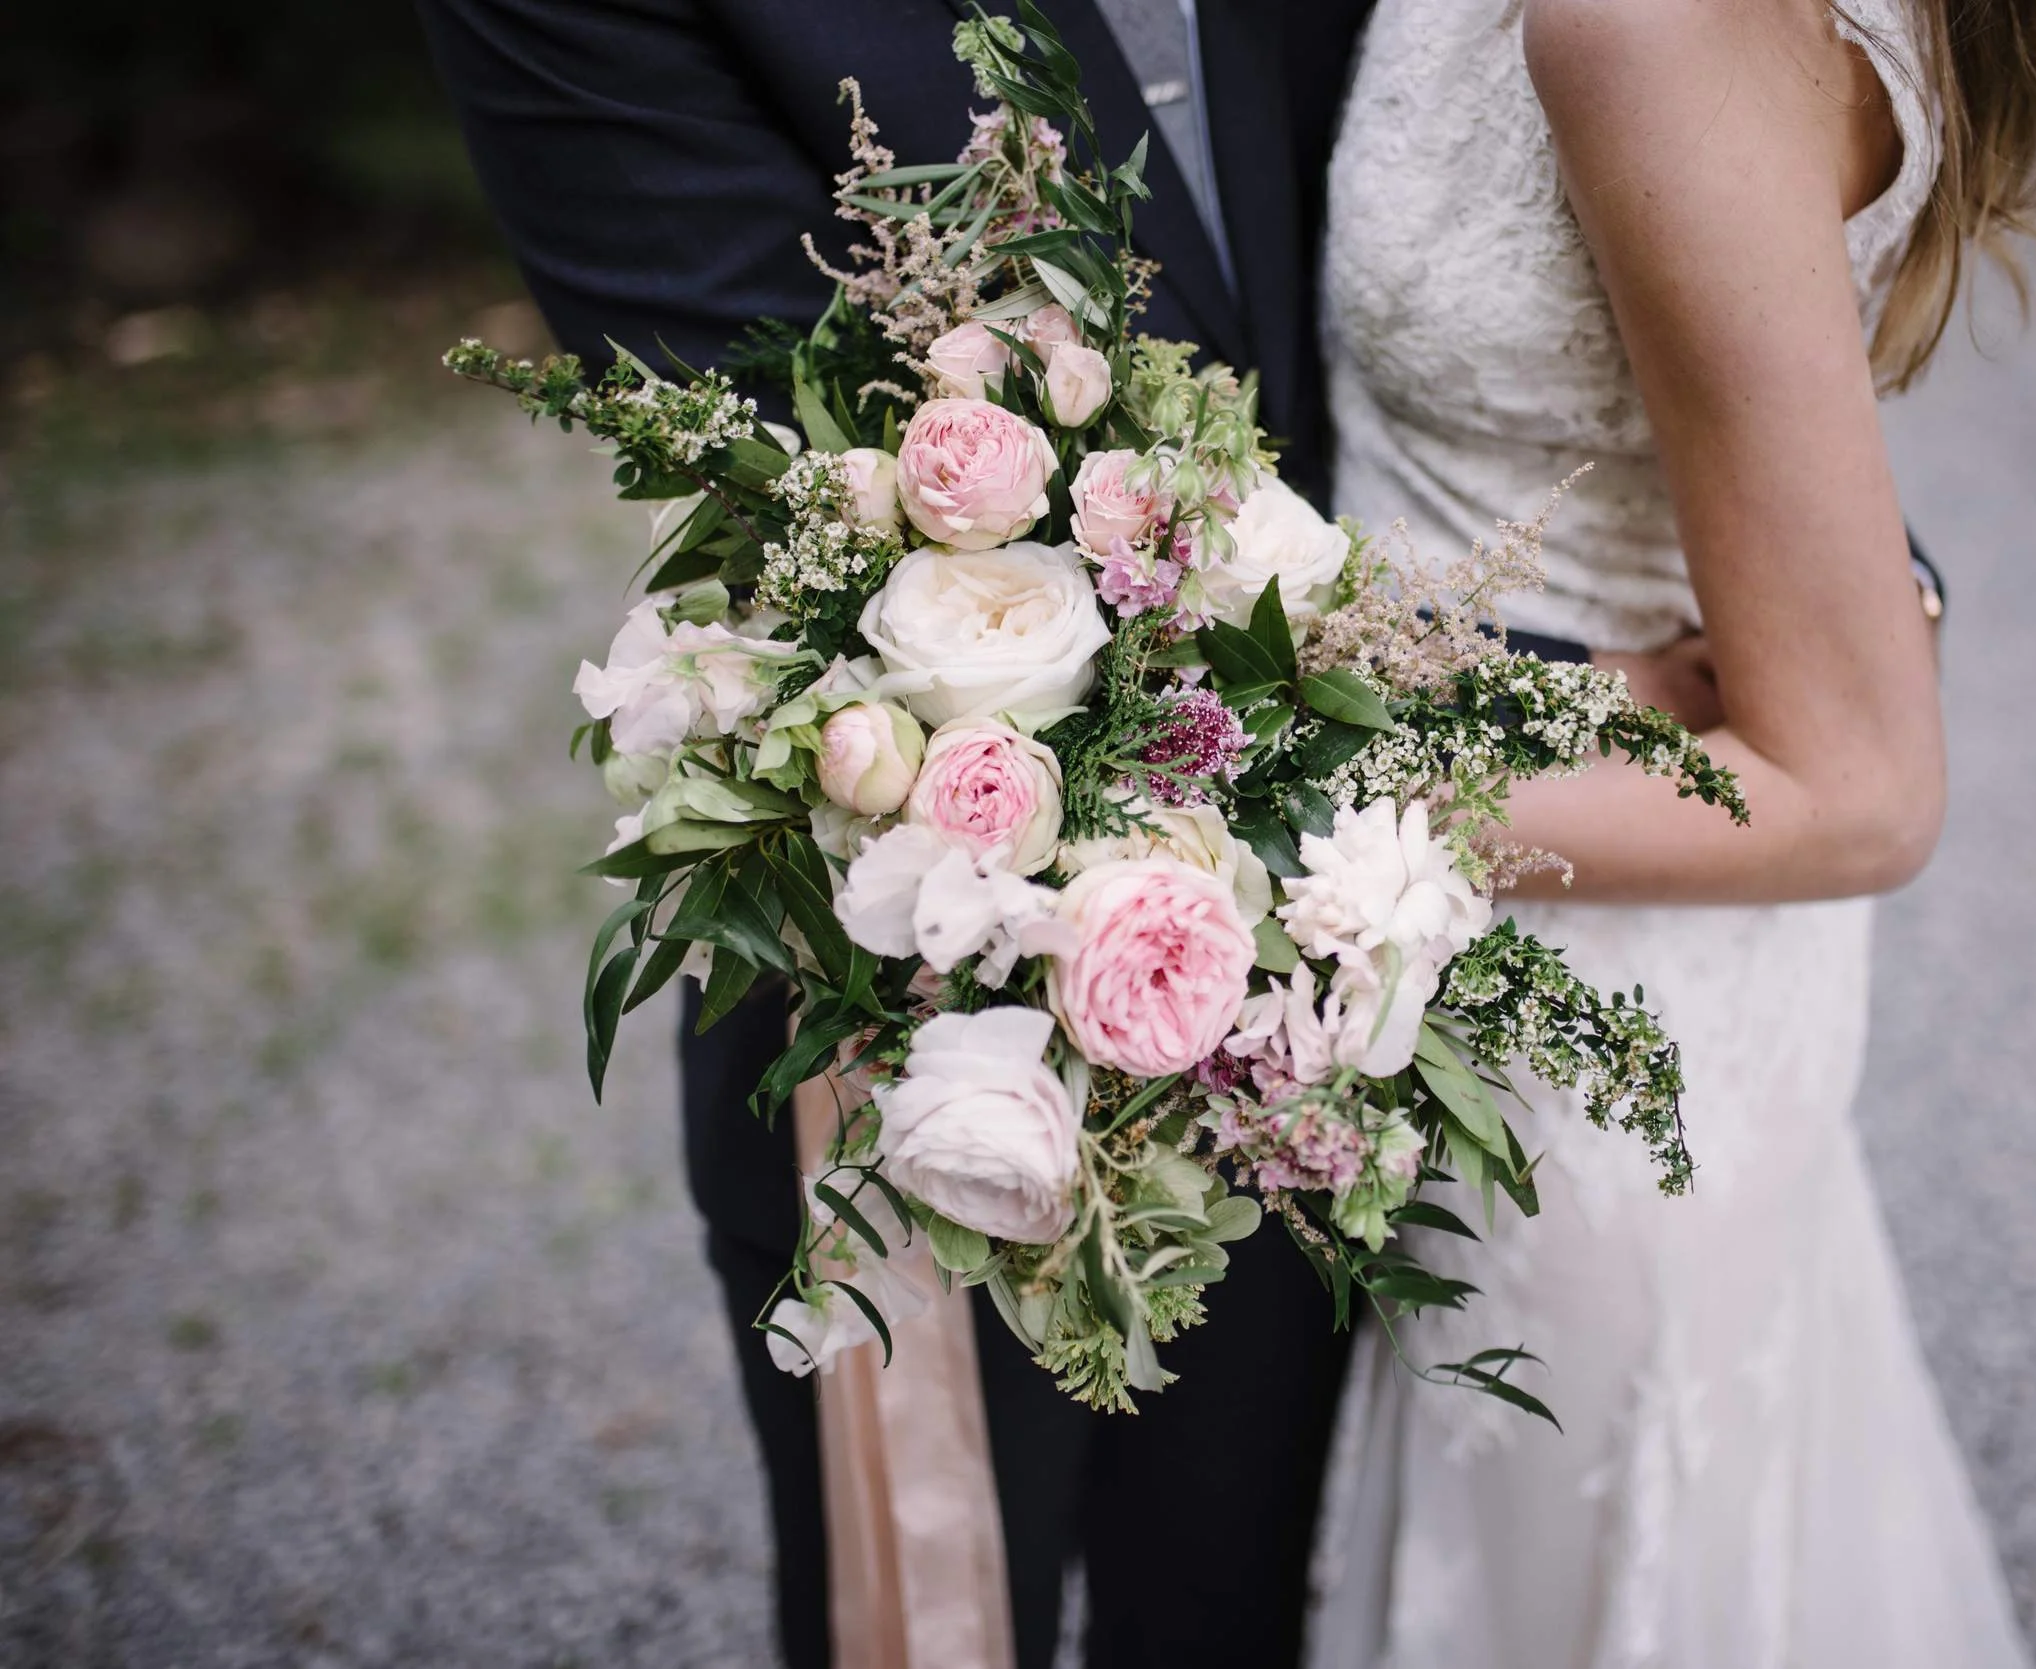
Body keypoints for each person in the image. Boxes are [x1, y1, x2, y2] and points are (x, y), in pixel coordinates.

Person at [414, 2, 1373, 1665]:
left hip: (1335, 997)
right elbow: (785, 455)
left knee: (1236, 1604)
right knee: (924, 1616)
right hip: (912, 1000)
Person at [1306, 0, 2036, 1663]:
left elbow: (1863, 789)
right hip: (1554, 895)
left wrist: (1317, 812)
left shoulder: (1657, 27)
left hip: (1586, 1007)